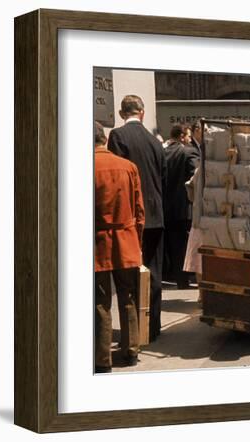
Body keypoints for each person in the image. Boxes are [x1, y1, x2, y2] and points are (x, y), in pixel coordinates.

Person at [108, 95, 167, 342]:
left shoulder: (118, 137)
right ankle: (153, 327)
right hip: (156, 213)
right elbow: (162, 176)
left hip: (133, 215)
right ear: (141, 112)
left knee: (131, 274)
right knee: (153, 271)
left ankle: (134, 331)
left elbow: (117, 178)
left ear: (123, 114)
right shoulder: (155, 141)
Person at [94, 121, 145, 373]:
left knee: (101, 302)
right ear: (104, 139)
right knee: (128, 297)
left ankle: (102, 359)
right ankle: (131, 350)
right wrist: (138, 242)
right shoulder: (128, 167)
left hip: (98, 242)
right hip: (126, 238)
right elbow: (139, 210)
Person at [163, 124, 200, 288]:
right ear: (182, 136)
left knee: (175, 244)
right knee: (187, 244)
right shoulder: (189, 152)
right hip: (185, 207)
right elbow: (195, 177)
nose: (190, 139)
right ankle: (188, 276)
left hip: (167, 207)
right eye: (189, 136)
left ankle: (180, 278)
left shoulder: (164, 152)